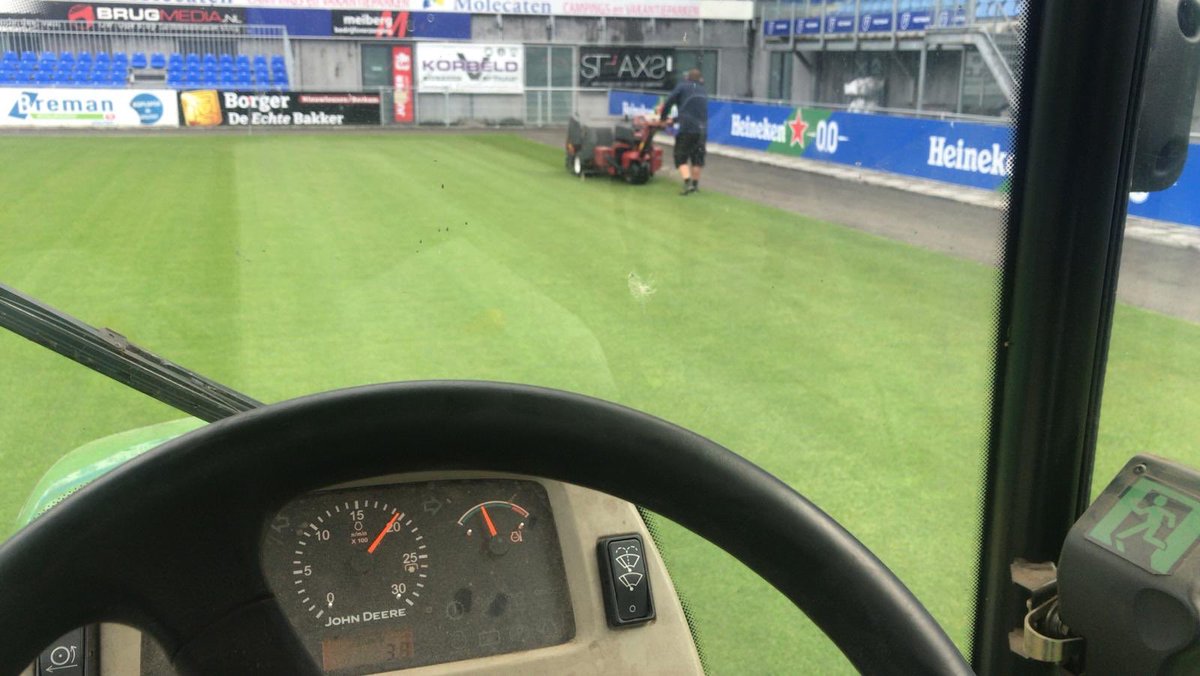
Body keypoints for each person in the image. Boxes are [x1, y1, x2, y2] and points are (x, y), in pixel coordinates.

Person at [659, 68, 708, 196]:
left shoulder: (682, 87)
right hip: (702, 129)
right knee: (697, 158)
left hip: (686, 129)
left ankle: (687, 183)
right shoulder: (703, 91)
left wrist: (663, 118)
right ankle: (695, 186)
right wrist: (674, 119)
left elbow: (669, 102)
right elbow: (693, 111)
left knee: (680, 156)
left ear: (688, 78)